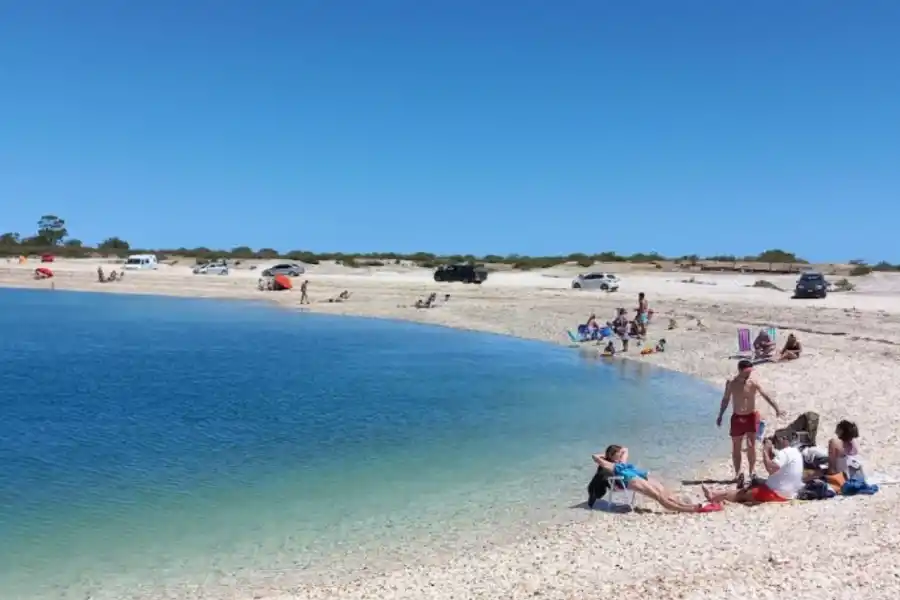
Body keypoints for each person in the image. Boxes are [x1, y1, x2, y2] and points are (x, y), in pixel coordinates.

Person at [590, 445, 720, 513]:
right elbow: (595, 457)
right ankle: (690, 509)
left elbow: (625, 448)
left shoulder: (621, 461)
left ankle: (686, 505)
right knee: (658, 496)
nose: (620, 456)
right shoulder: (611, 465)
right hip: (631, 480)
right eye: (617, 455)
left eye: (619, 455)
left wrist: (615, 454)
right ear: (612, 456)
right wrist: (606, 456)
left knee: (663, 491)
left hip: (638, 475)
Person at [717, 359, 785, 486]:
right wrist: (720, 414)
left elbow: (766, 395)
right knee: (736, 446)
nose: (749, 374)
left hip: (751, 417)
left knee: (751, 445)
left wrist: (777, 408)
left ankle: (752, 471)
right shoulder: (731, 383)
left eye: (751, 371)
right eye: (747, 371)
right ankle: (737, 474)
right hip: (737, 417)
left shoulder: (753, 382)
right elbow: (725, 399)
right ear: (741, 370)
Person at [702, 432, 804, 504]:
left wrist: (765, 450)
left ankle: (714, 495)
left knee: (743, 493)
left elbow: (770, 469)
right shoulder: (794, 452)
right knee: (753, 483)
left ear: (784, 440)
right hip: (787, 492)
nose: (775, 443)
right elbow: (776, 465)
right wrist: (769, 451)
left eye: (777, 440)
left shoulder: (784, 453)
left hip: (777, 494)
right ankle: (718, 492)